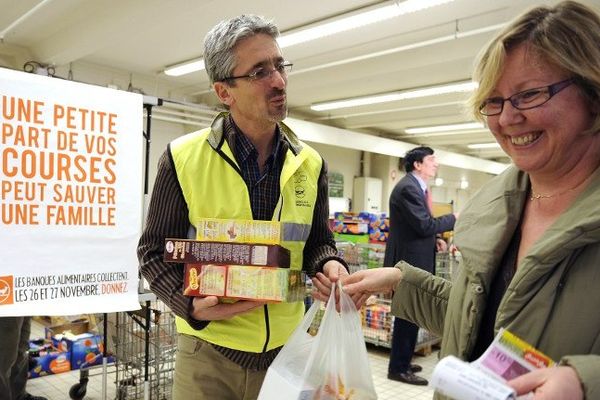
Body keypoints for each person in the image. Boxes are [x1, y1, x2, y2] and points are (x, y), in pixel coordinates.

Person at [343, 1, 600, 399]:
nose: (507, 118)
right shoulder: (499, 208)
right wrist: (400, 281)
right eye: (492, 102)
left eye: (529, 94)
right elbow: (478, 322)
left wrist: (585, 383)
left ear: (593, 92)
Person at [137, 14, 347, 400]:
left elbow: (317, 240)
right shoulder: (182, 158)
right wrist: (191, 307)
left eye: (280, 65)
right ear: (224, 91)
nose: (279, 80)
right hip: (208, 356)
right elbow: (153, 253)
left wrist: (329, 263)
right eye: (259, 71)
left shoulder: (310, 163)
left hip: (288, 352)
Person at [383, 146, 457, 386]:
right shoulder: (408, 188)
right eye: (432, 159)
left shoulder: (418, 188)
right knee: (408, 312)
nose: (436, 163)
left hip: (417, 256)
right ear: (417, 164)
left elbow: (418, 227)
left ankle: (402, 361)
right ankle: (398, 368)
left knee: (413, 312)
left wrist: (435, 240)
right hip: (409, 260)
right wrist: (454, 218)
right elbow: (424, 225)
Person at [0, 317, 47, 400]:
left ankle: (19, 396)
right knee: (3, 360)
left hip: (21, 308)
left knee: (21, 352)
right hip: (4, 310)